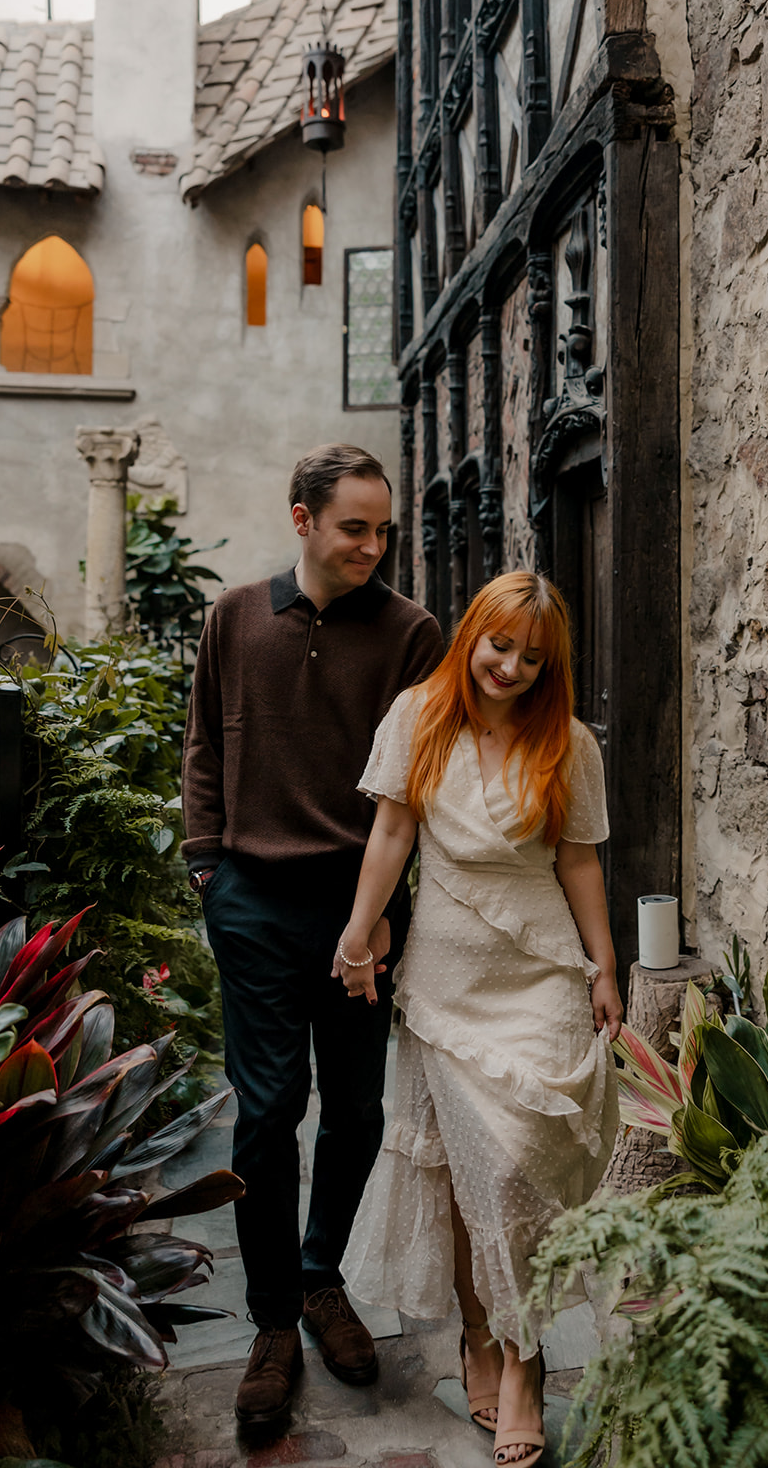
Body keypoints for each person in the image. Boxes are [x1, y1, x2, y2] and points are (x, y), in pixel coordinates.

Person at [333, 570, 622, 1468]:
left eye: (533, 658)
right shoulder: (417, 717)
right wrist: (356, 935)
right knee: (468, 1181)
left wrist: (603, 963)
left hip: (537, 972)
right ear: (471, 636)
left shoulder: (568, 743)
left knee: (514, 1174)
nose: (512, 668)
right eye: (501, 646)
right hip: (446, 980)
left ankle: (527, 1364)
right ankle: (481, 1339)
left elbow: (577, 863)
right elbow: (388, 835)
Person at [181, 443, 443, 1428]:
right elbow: (203, 739)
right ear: (301, 517)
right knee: (263, 1111)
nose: (372, 546)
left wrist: (373, 917)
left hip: (362, 904)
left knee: (355, 1110)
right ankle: (271, 1323)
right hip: (250, 897)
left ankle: (321, 1274)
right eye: (353, 527)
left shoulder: (411, 633)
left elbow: (415, 785)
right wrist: (207, 864)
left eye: (383, 530)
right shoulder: (233, 618)